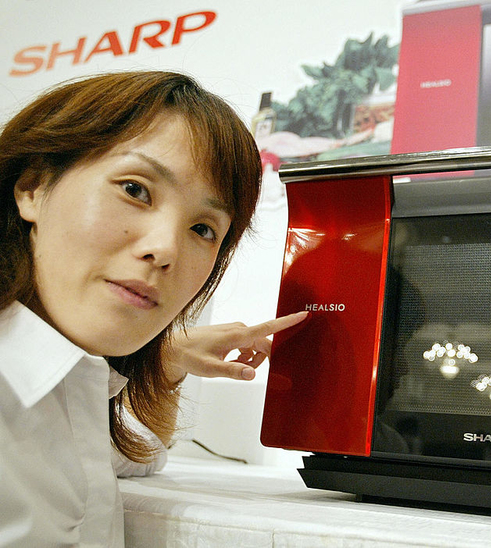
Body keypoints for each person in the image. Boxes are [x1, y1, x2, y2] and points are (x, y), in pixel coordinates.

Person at [0, 70, 307, 547]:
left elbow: (133, 451)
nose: (165, 249)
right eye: (135, 190)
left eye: (204, 229)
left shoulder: (69, 387)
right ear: (34, 187)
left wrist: (163, 362)